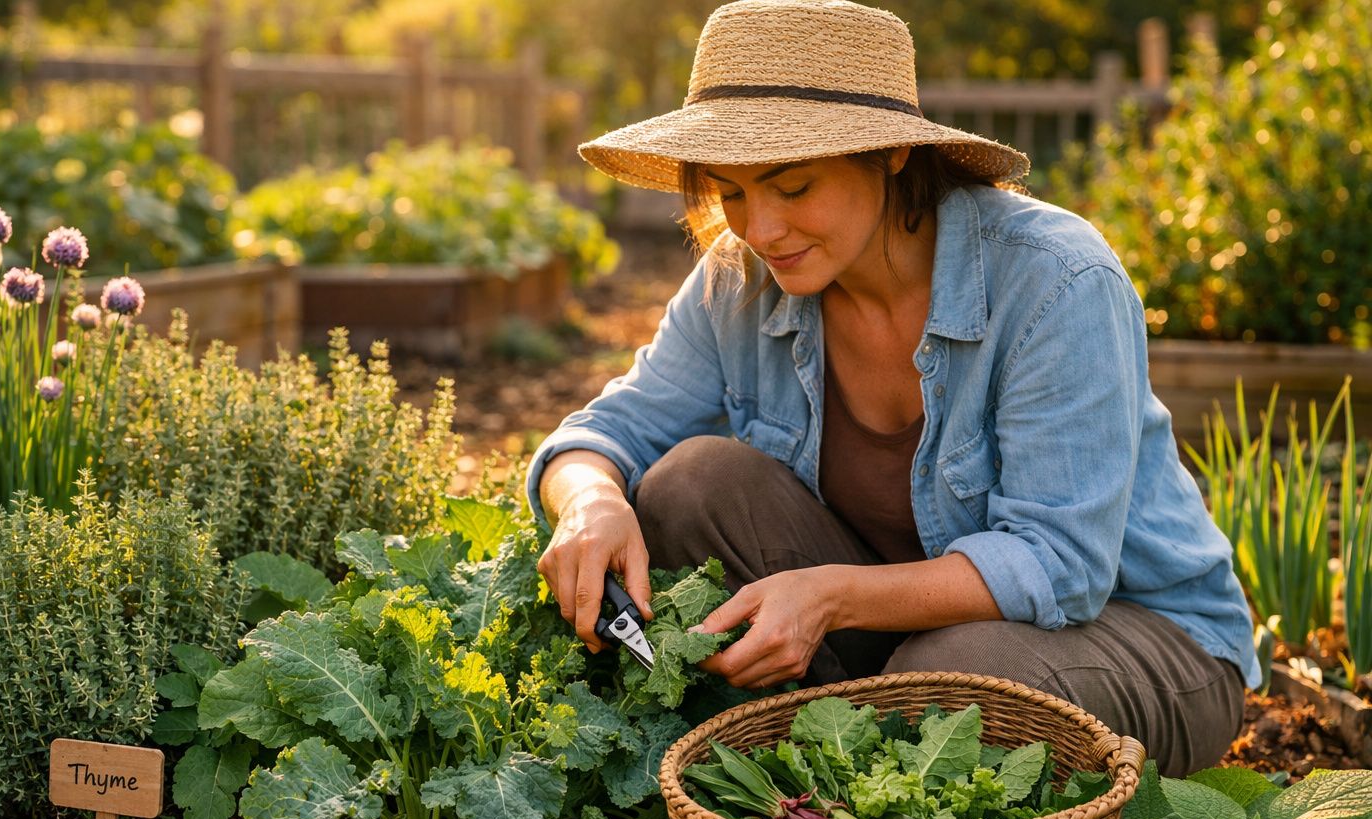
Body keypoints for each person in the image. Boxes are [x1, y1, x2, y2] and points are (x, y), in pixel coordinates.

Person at [525, 0, 1257, 776]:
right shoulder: (740, 283)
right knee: (689, 482)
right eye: (730, 193)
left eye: (793, 187)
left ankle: (867, 751)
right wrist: (590, 502)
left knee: (958, 678)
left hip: (1142, 636)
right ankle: (859, 753)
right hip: (902, 640)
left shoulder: (1053, 281)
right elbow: (605, 434)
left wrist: (830, 597)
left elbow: (1061, 564)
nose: (760, 229)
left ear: (892, 155)